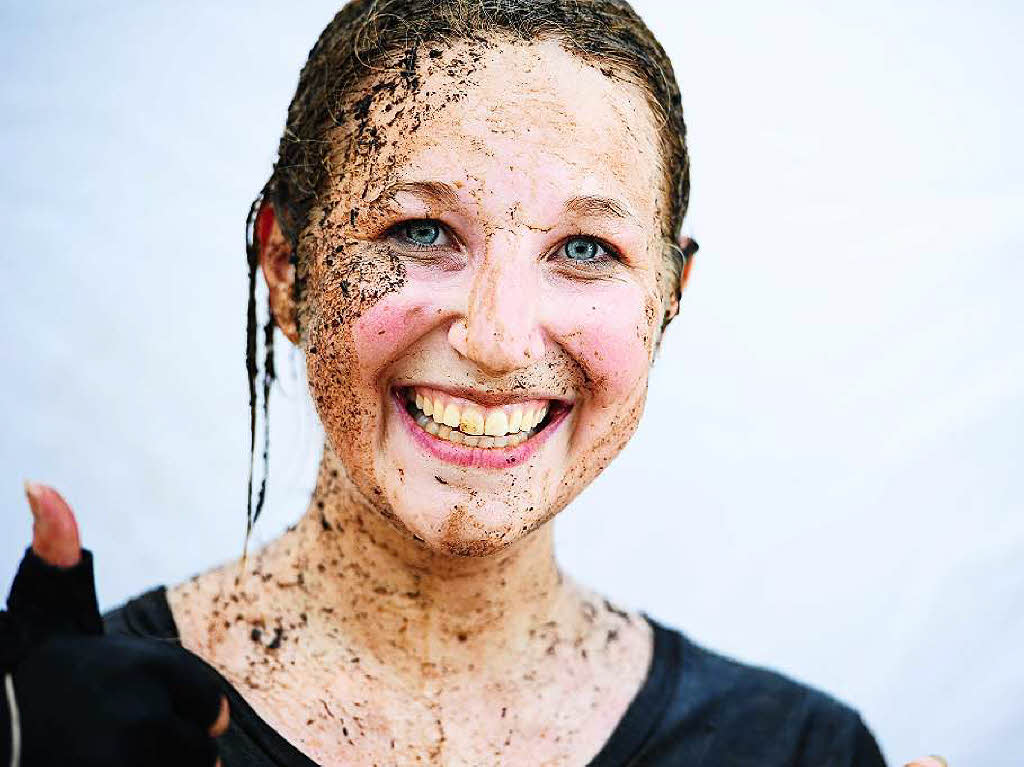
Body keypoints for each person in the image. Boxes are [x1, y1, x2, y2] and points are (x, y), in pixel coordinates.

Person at [1, 1, 947, 764]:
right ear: (287, 266)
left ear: (668, 297)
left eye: (585, 248)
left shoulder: (795, 751)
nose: (498, 340)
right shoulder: (84, 729)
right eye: (421, 231)